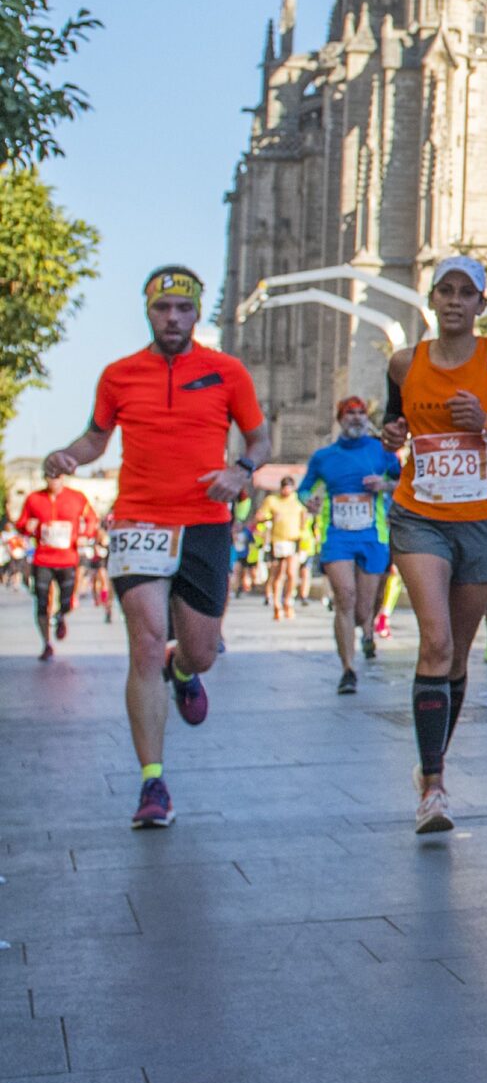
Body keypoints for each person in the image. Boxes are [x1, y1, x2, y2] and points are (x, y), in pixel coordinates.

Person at [43, 266, 271, 829]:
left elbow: (260, 440)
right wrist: (68, 456)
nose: (172, 318)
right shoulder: (119, 375)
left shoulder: (227, 371)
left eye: (183, 308)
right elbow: (96, 437)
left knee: (198, 651)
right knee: (143, 644)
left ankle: (185, 669)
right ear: (148, 312)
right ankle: (152, 783)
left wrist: (240, 470)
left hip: (204, 523)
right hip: (138, 522)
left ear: (197, 314)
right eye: (162, 308)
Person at [382, 255, 487, 835]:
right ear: (431, 300)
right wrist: (393, 433)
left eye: (466, 293)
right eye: (444, 291)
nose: (454, 301)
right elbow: (394, 423)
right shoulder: (404, 362)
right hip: (420, 515)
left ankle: (433, 761)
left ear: (482, 304)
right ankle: (433, 787)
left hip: (484, 519)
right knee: (433, 641)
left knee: (456, 653)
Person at [300, 397, 398, 694]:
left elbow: (407, 482)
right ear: (340, 419)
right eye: (349, 414)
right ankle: (348, 670)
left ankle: (366, 631)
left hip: (372, 536)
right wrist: (308, 500)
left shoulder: (382, 451)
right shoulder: (324, 456)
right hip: (337, 536)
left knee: (362, 609)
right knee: (345, 597)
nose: (356, 418)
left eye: (360, 413)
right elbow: (305, 488)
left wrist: (385, 486)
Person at [16, 473, 99, 659]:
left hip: (67, 559)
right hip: (43, 559)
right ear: (45, 478)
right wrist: (26, 527)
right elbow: (21, 522)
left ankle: (61, 615)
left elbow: (92, 518)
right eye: (49, 477)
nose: (53, 481)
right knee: (42, 602)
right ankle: (46, 643)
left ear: (63, 477)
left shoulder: (77, 498)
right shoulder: (34, 499)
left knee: (67, 601)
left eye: (57, 476)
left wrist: (86, 534)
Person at [258, 478, 312, 620]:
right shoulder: (272, 500)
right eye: (284, 487)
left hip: (294, 540)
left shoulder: (298, 501)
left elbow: (305, 517)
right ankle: (277, 605)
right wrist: (270, 517)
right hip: (277, 541)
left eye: (289, 488)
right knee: (278, 574)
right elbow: (259, 517)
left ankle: (288, 602)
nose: (287, 490)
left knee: (292, 573)